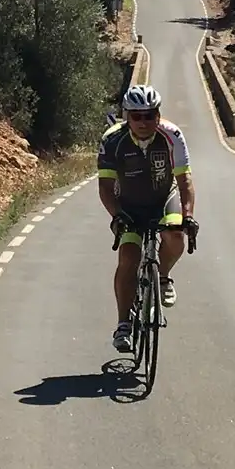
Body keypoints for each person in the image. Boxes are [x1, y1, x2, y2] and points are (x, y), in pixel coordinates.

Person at [97, 83, 198, 352]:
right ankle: (123, 325)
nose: (144, 122)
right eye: (137, 116)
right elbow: (105, 188)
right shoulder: (112, 140)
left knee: (176, 233)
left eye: (150, 115)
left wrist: (188, 215)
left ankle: (162, 276)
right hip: (128, 205)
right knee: (129, 256)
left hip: (164, 199)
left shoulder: (172, 135)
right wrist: (117, 215)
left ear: (158, 114)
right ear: (126, 116)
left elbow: (185, 180)